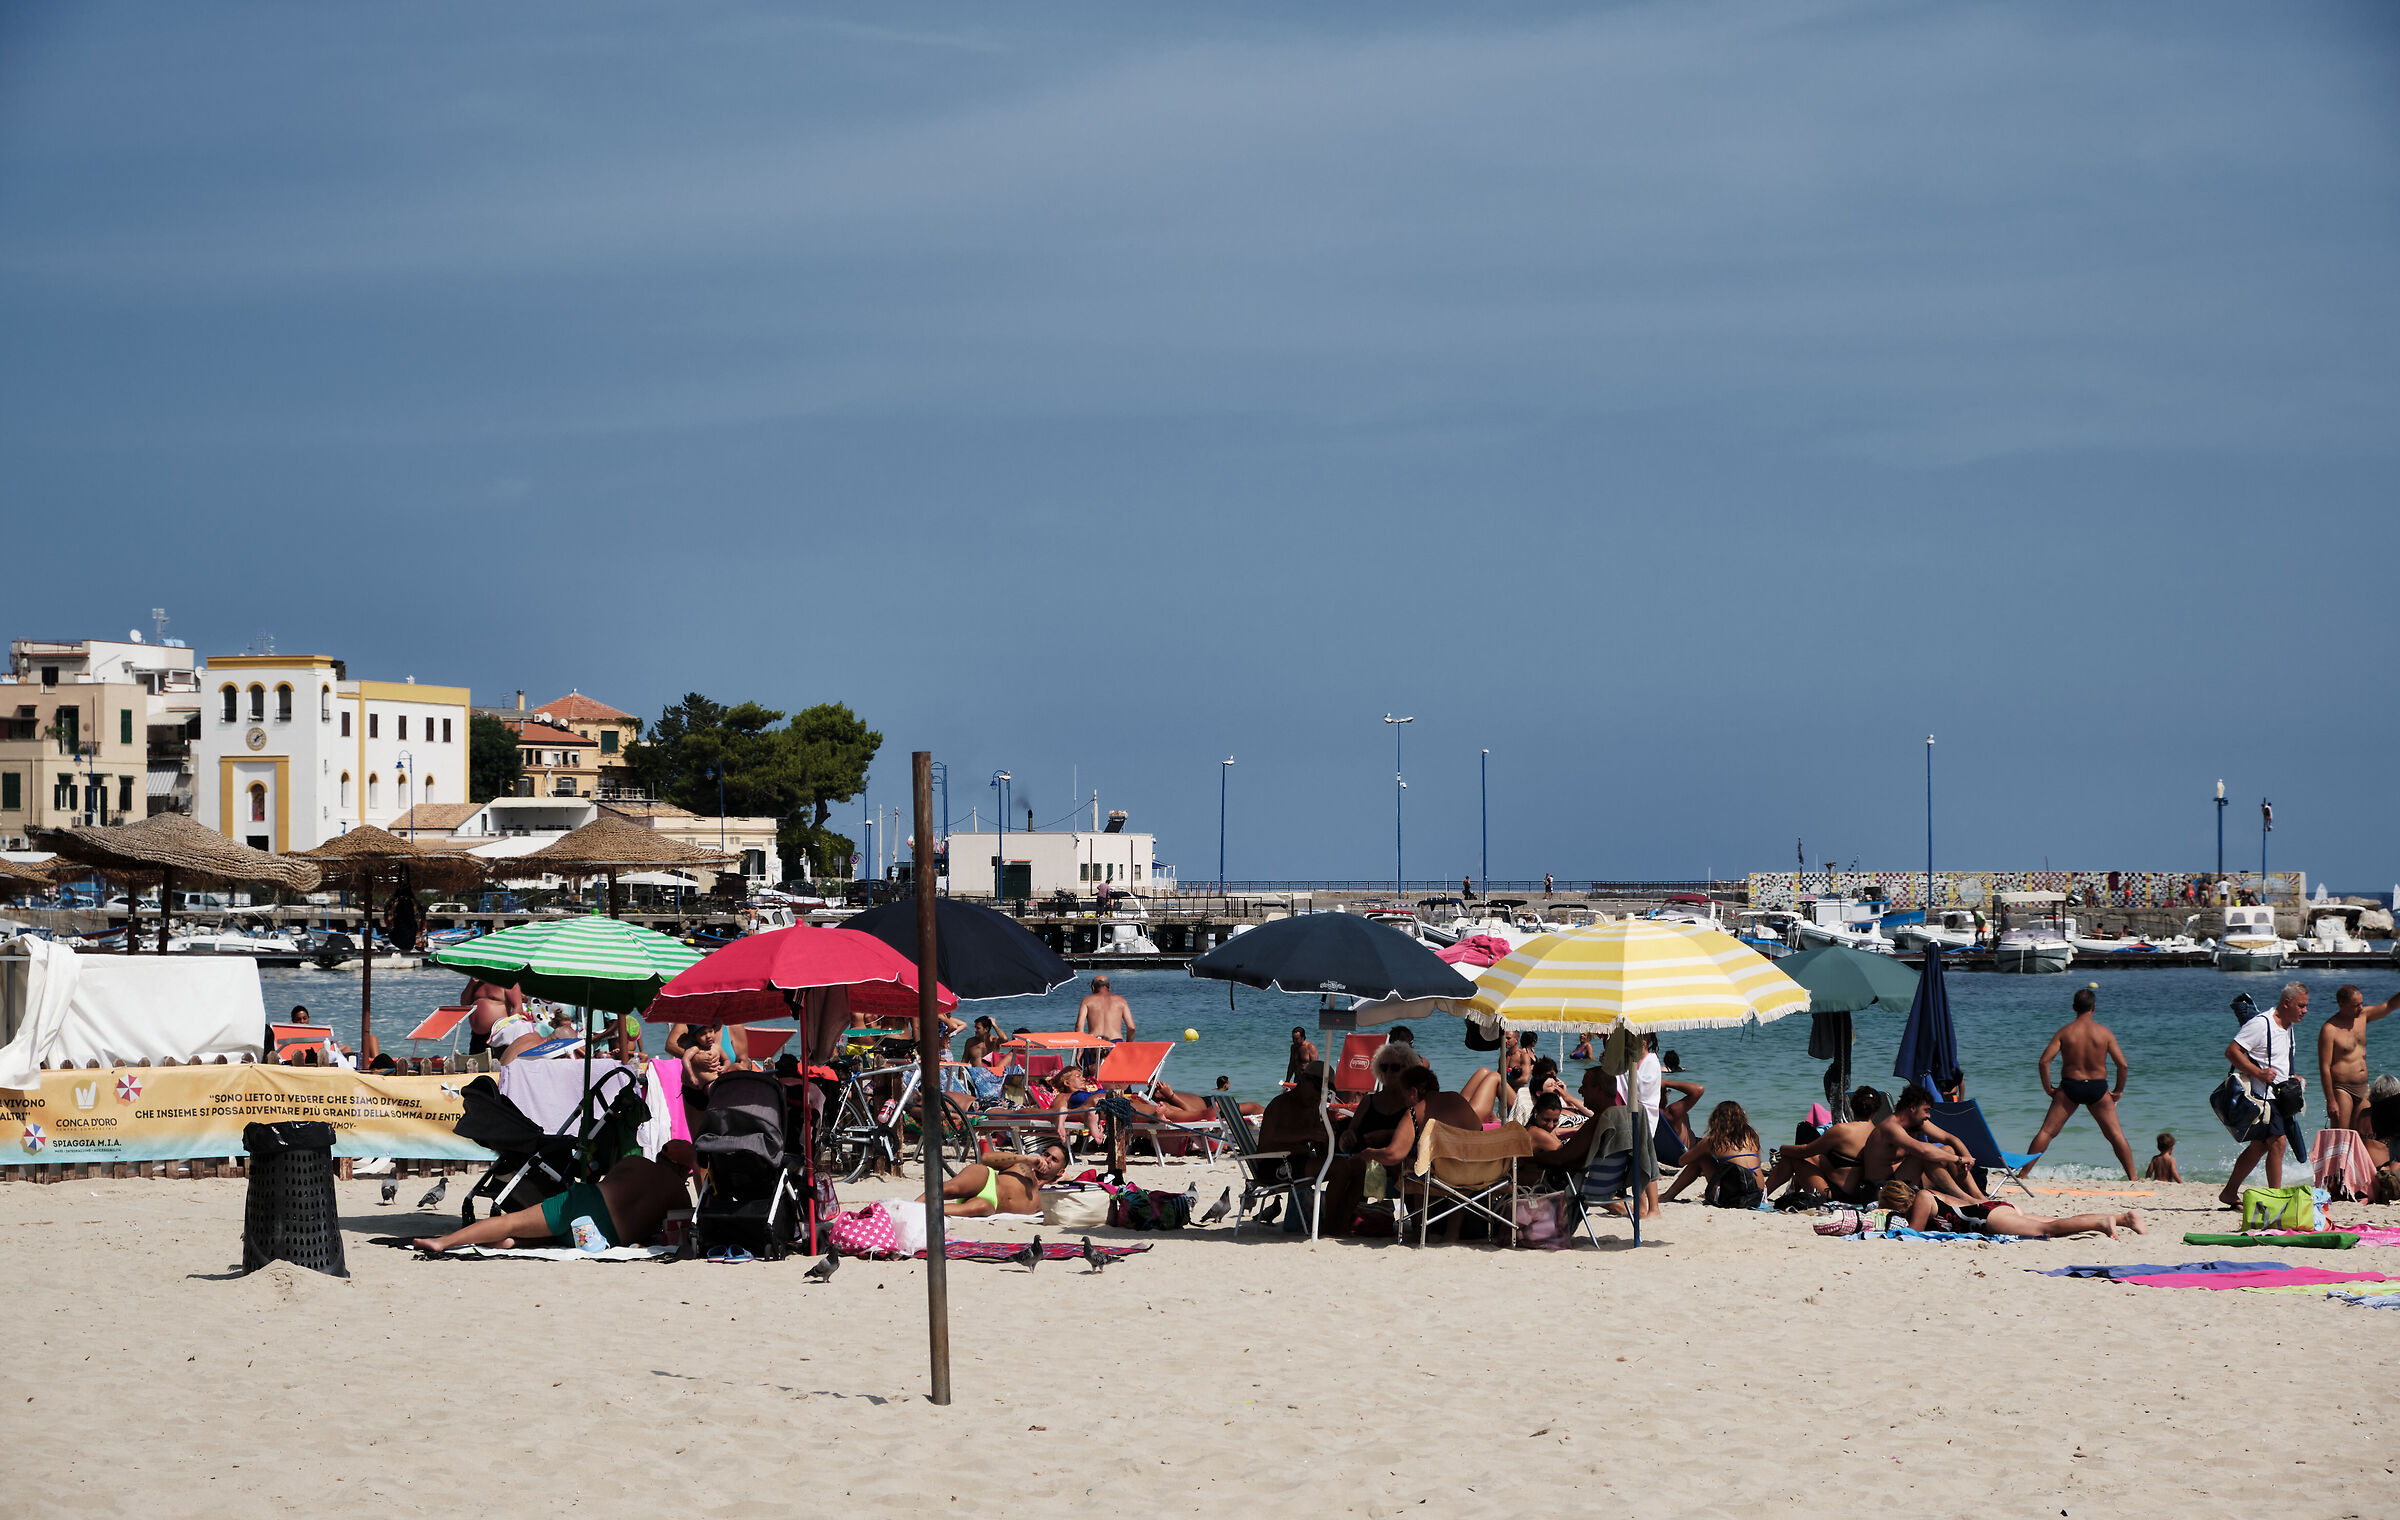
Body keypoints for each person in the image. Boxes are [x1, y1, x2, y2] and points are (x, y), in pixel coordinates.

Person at [415, 1141, 698, 1252]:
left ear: (661, 1156)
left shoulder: (635, 1162)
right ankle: (512, 1243)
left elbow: (603, 1185)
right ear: (684, 1171)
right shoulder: (680, 1197)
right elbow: (668, 1232)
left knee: (513, 1220)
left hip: (590, 1202)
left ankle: (443, 1243)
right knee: (554, 1237)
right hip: (609, 1238)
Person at [2024, 987, 2139, 1179]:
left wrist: (2048, 1088)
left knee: (2047, 1132)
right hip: (2098, 1087)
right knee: (2115, 1135)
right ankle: (2133, 1178)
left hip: (2071, 1086)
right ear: (2093, 1007)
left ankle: (2023, 1173)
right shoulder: (2104, 1033)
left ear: (2073, 1008)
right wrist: (2118, 1091)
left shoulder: (2065, 1032)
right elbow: (2123, 1065)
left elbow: (2044, 1061)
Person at [2220, 982, 2312, 1207]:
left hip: (2281, 1096)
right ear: (2286, 1003)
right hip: (2263, 1096)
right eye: (2301, 1005)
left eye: (2306, 1006)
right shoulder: (2261, 1024)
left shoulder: (2288, 1025)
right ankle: (2276, 1198)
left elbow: (2277, 1058)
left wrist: (2293, 1076)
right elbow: (2232, 1052)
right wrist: (2257, 1073)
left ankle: (2229, 1193)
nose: (2305, 1010)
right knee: (2278, 1143)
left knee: (2260, 1146)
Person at [1883, 1180, 2144, 1239]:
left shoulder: (1922, 1198)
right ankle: (2122, 1218)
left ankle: (2100, 1224)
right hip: (1992, 1208)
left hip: (1987, 1218)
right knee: (2057, 1220)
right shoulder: (1931, 1192)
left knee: (2047, 1229)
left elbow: (1913, 1234)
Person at [1860, 1085, 1986, 1203]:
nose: (1928, 1116)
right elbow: (1923, 1150)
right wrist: (1958, 1159)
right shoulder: (1890, 1127)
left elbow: (1950, 1138)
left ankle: (1979, 1197)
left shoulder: (1915, 1123)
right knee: (1923, 1156)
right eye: (1926, 1110)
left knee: (1948, 1149)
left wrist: (1967, 1158)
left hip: (1904, 1181)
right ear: (1912, 1107)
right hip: (1880, 1190)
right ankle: (1967, 1200)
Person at [1761, 1087, 1883, 1202]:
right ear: (1876, 1111)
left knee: (1791, 1158)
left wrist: (1782, 1149)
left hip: (1836, 1194)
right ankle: (1790, 1192)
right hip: (1860, 1195)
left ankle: (1761, 1197)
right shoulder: (1878, 1133)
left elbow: (1805, 1151)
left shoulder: (1842, 1130)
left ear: (1851, 1105)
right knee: (1818, 1158)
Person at [2318, 984, 2400, 1134]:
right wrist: (2331, 1101)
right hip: (2342, 1089)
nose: (2361, 1008)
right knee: (2341, 1137)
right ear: (2341, 1004)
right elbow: (2324, 1067)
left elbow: (2389, 1005)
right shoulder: (2330, 1029)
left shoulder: (2363, 1017)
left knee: (2363, 1136)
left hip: (2363, 1088)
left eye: (2362, 1003)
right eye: (2356, 1005)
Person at [922, 1140, 1070, 1217]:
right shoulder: (1022, 1166)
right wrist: (1026, 1159)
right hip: (986, 1180)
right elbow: (985, 1158)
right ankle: (914, 1204)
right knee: (950, 1189)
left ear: (1060, 1171)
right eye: (1046, 1154)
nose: (1047, 1159)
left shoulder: (1048, 1196)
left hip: (991, 1204)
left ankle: (923, 1210)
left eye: (1054, 1159)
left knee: (982, 1208)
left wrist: (1062, 1180)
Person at [1660, 1101, 1765, 1204]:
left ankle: (1667, 1196)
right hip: (1758, 1195)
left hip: (1734, 1198)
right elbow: (1757, 1163)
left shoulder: (1712, 1140)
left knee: (1701, 1158)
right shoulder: (1753, 1135)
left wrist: (1699, 1149)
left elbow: (1682, 1161)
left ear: (1716, 1119)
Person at [463, 977, 525, 1055]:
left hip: (498, 1035)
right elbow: (464, 1004)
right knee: (476, 1064)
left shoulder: (507, 981)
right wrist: (471, 984)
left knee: (498, 1065)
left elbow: (518, 1008)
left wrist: (507, 1030)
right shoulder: (477, 981)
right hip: (477, 1036)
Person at [1075, 976, 1136, 1043]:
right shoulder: (1121, 1000)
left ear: (1093, 987)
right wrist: (1127, 1045)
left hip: (1093, 1043)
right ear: (1109, 987)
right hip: (1115, 1043)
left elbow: (1079, 1027)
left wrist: (1079, 1051)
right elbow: (1131, 1027)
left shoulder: (1087, 1001)